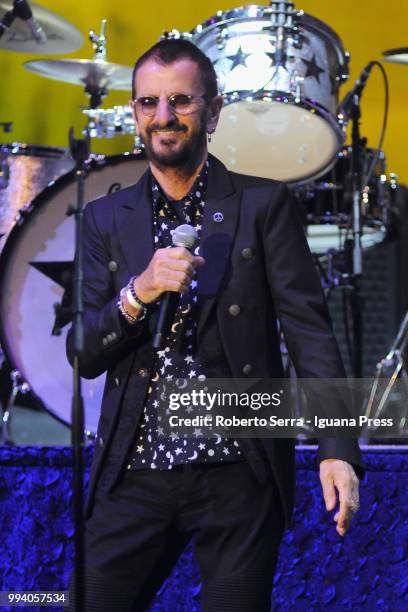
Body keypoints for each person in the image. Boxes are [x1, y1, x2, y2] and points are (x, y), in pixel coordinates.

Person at [66, 38, 363, 612]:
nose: (163, 117)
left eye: (180, 101)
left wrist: (338, 449)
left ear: (213, 111)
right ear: (134, 114)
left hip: (237, 471)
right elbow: (83, 352)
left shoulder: (262, 205)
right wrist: (138, 293)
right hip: (135, 470)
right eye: (148, 103)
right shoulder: (105, 217)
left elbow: (310, 333)